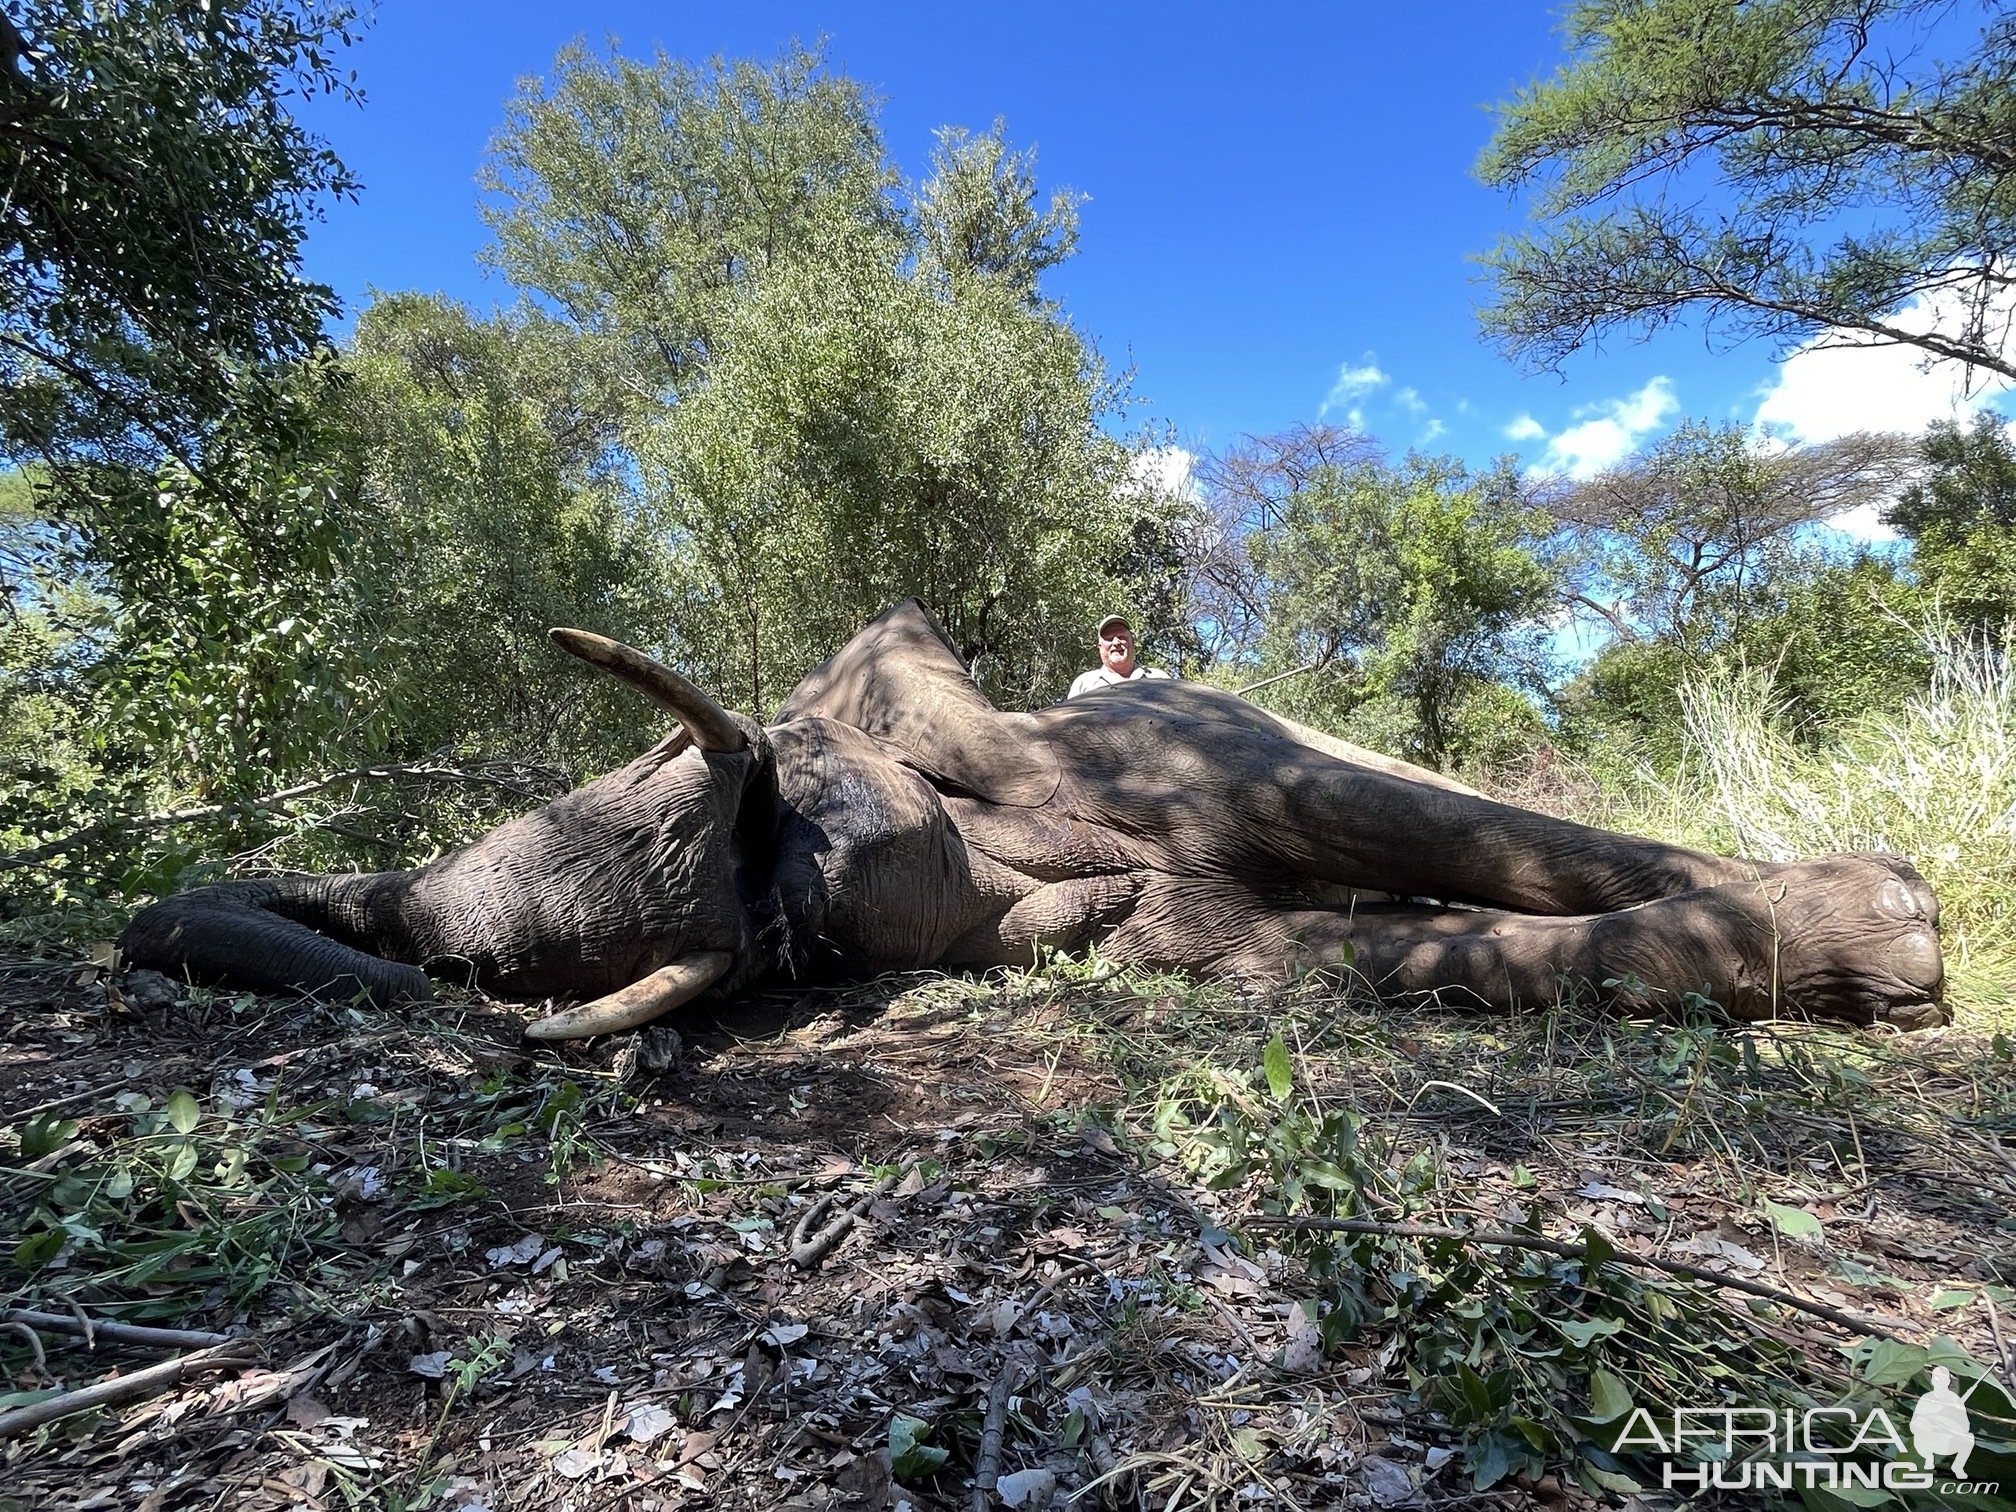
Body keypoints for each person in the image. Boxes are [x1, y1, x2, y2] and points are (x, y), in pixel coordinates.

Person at [1067, 614, 1170, 699]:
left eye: (1122, 637)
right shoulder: (1084, 684)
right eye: (1109, 638)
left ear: (1133, 642)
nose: (1116, 642)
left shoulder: (1159, 678)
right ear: (1099, 647)